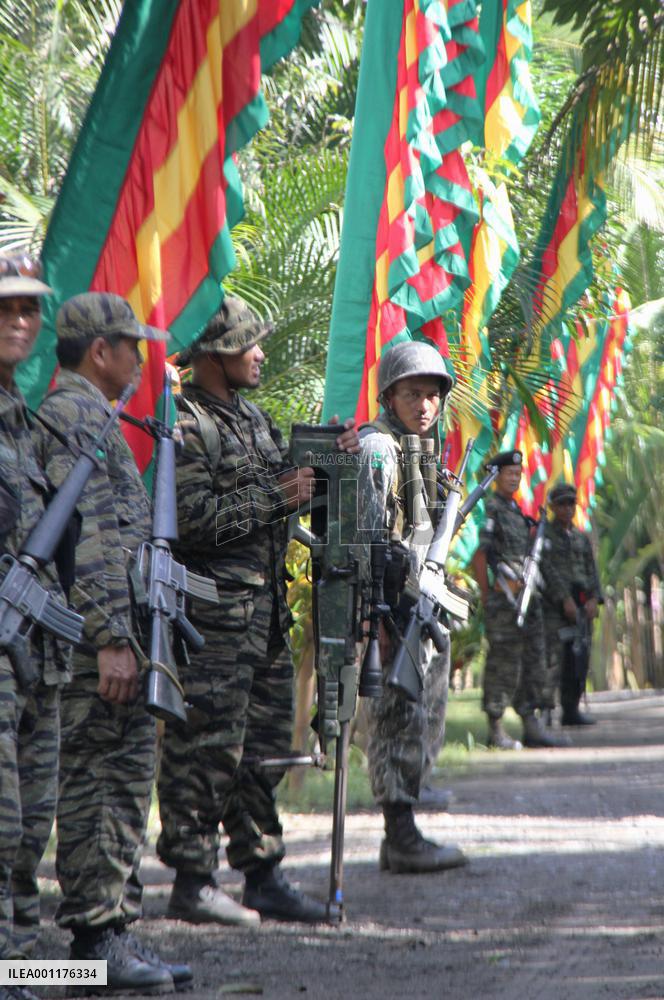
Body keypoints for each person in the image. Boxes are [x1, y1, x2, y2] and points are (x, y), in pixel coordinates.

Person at [156, 295, 358, 924]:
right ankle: (193, 879)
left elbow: (289, 491)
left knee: (263, 752)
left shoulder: (255, 419)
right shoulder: (188, 424)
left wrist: (328, 461)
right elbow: (191, 521)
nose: (261, 353)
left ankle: (262, 872)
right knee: (205, 751)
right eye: (250, 344)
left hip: (263, 621)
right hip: (212, 626)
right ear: (215, 355)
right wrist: (277, 495)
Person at [33, 292, 190, 995]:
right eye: (131, 346)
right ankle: (94, 943)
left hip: (112, 635)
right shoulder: (75, 417)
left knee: (121, 786)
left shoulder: (93, 413)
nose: (139, 358)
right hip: (99, 646)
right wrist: (111, 639)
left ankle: (111, 934)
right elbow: (90, 539)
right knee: (99, 786)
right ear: (100, 351)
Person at [357, 339, 466, 874]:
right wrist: (374, 615)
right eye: (412, 394)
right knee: (394, 718)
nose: (425, 405)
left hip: (414, 601)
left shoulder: (417, 448)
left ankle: (405, 818)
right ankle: (399, 836)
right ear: (388, 397)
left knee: (416, 715)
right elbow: (365, 540)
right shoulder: (379, 448)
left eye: (432, 395)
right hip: (389, 608)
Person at [0, 255, 70, 1000]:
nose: (20, 321)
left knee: (29, 824)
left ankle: (19, 964)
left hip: (32, 651)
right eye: (5, 309)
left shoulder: (21, 414)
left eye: (29, 309)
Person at [471, 451, 570, 750]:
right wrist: (488, 594)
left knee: (534, 659)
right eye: (509, 473)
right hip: (504, 600)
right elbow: (480, 555)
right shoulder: (492, 509)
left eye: (518, 473)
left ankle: (531, 723)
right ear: (497, 476)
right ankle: (495, 728)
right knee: (503, 662)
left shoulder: (516, 510)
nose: (514, 478)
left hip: (528, 598)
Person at [543, 482, 601, 726]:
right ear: (553, 507)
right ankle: (545, 711)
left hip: (581, 605)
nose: (567, 509)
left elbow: (592, 570)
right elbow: (546, 569)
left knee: (578, 660)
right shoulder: (545, 536)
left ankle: (571, 709)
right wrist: (563, 598)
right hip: (554, 607)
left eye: (571, 504)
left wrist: (594, 599)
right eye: (562, 504)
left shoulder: (580, 538)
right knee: (553, 660)